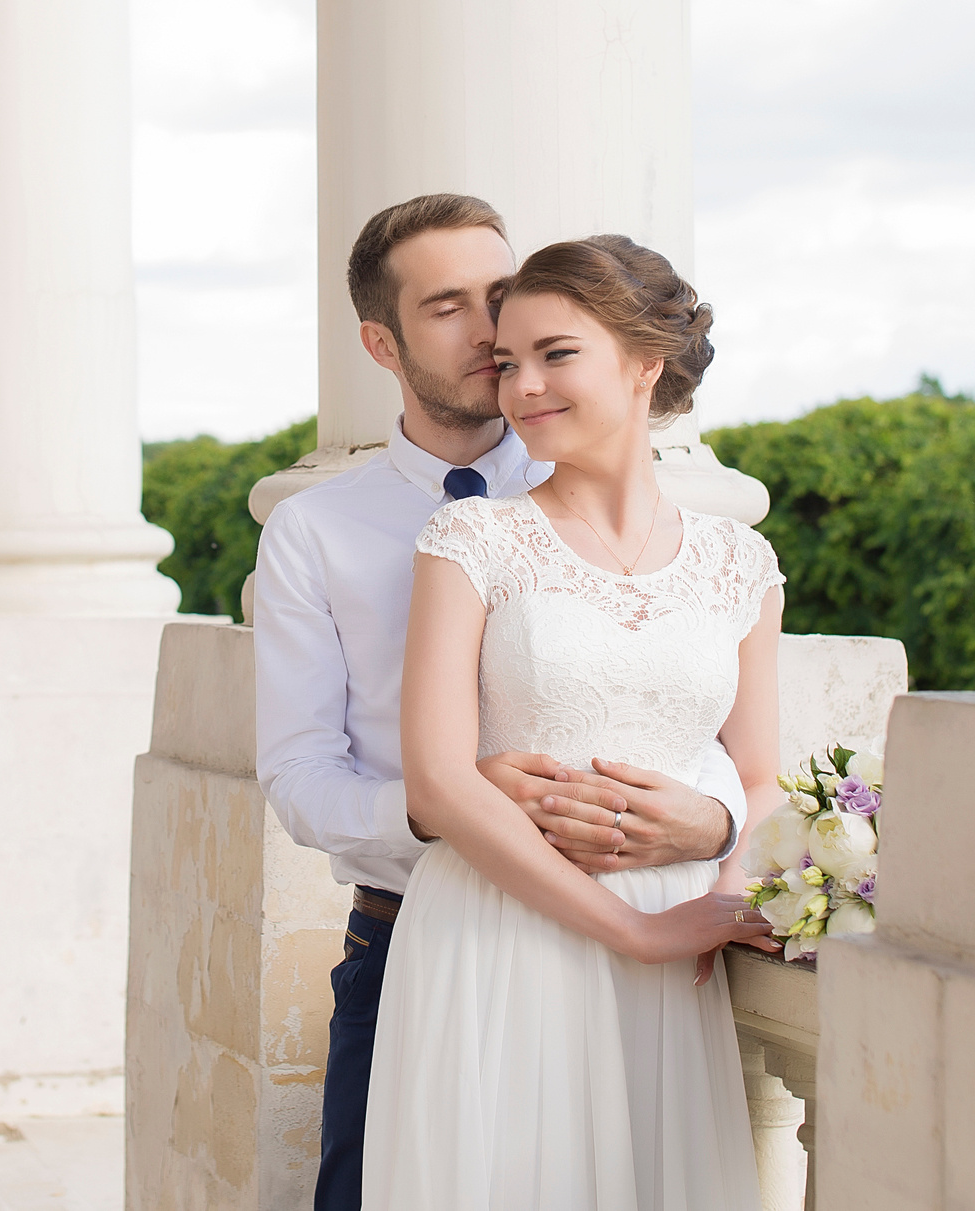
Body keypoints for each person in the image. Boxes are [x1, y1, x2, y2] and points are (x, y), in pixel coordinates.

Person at [255, 196, 756, 1211]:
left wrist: (715, 825)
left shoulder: (682, 529)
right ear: (380, 342)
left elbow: (716, 741)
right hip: (425, 936)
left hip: (656, 938)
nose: (493, 336)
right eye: (450, 307)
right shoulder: (318, 532)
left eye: (503, 296)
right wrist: (444, 800)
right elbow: (299, 776)